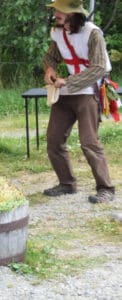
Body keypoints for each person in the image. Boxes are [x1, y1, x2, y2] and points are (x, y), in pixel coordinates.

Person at [42, 0, 115, 203]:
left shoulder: (93, 33)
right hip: (66, 92)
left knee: (89, 142)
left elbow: (99, 67)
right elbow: (51, 57)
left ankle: (106, 188)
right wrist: (50, 69)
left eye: (60, 10)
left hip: (89, 90)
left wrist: (70, 81)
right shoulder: (57, 32)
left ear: (72, 14)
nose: (56, 13)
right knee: (54, 139)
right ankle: (66, 183)